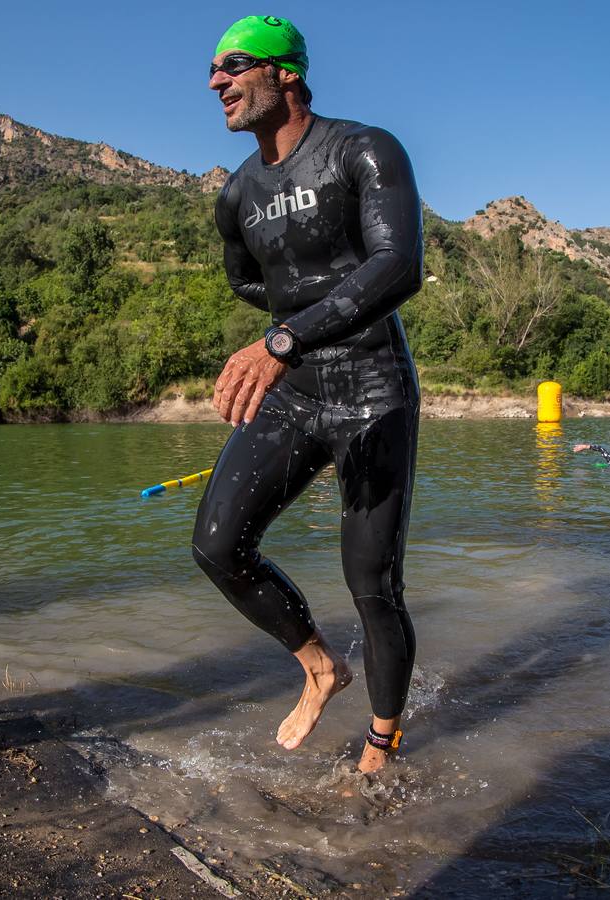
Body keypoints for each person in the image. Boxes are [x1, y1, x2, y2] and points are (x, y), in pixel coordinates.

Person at [192, 15, 423, 773]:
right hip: (298, 392)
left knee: (372, 584)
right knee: (218, 545)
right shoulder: (236, 193)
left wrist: (287, 338)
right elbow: (245, 279)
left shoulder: (362, 149)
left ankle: (380, 747)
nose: (215, 82)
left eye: (233, 66)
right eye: (213, 71)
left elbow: (398, 267)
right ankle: (320, 667)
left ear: (285, 71)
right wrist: (292, 332)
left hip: (371, 389)